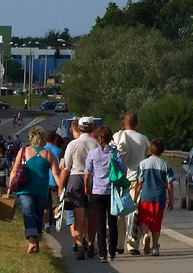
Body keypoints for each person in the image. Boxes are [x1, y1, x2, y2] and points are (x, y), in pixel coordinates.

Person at [9, 125, 62, 254]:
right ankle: (34, 241)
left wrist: (10, 187)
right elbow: (56, 174)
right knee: (38, 215)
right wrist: (61, 188)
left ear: (31, 138)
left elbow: (15, 171)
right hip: (42, 190)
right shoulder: (49, 155)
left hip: (25, 189)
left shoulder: (23, 151)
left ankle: (33, 241)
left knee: (29, 212)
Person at [85, 125, 125, 263]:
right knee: (112, 222)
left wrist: (87, 187)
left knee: (100, 223)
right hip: (111, 192)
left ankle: (102, 253)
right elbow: (123, 170)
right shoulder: (116, 153)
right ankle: (112, 251)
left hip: (97, 191)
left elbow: (88, 173)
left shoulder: (93, 154)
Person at [60, 117, 98, 260]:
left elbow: (66, 167)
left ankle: (80, 245)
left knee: (78, 216)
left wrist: (61, 187)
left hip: (76, 178)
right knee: (92, 215)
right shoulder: (96, 143)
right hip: (93, 179)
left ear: (79, 128)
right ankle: (92, 244)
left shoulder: (73, 144)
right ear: (93, 128)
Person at [113, 112, 150, 254]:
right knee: (134, 212)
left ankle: (120, 244)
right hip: (136, 179)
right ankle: (133, 244)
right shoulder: (143, 138)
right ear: (137, 124)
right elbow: (147, 155)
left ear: (124, 123)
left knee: (119, 212)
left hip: (120, 178)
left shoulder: (117, 137)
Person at [136, 138, 174, 257]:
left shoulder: (143, 164)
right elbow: (169, 184)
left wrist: (135, 198)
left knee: (144, 219)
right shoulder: (165, 164)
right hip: (160, 197)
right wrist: (171, 200)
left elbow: (139, 183)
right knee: (157, 221)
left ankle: (145, 234)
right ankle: (155, 246)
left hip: (146, 196)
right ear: (162, 151)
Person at [43, 130, 63, 233]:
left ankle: (46, 225)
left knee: (46, 205)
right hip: (56, 181)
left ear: (45, 140)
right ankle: (57, 223)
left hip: (45, 181)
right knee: (57, 204)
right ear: (55, 139)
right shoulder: (59, 151)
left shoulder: (42, 151)